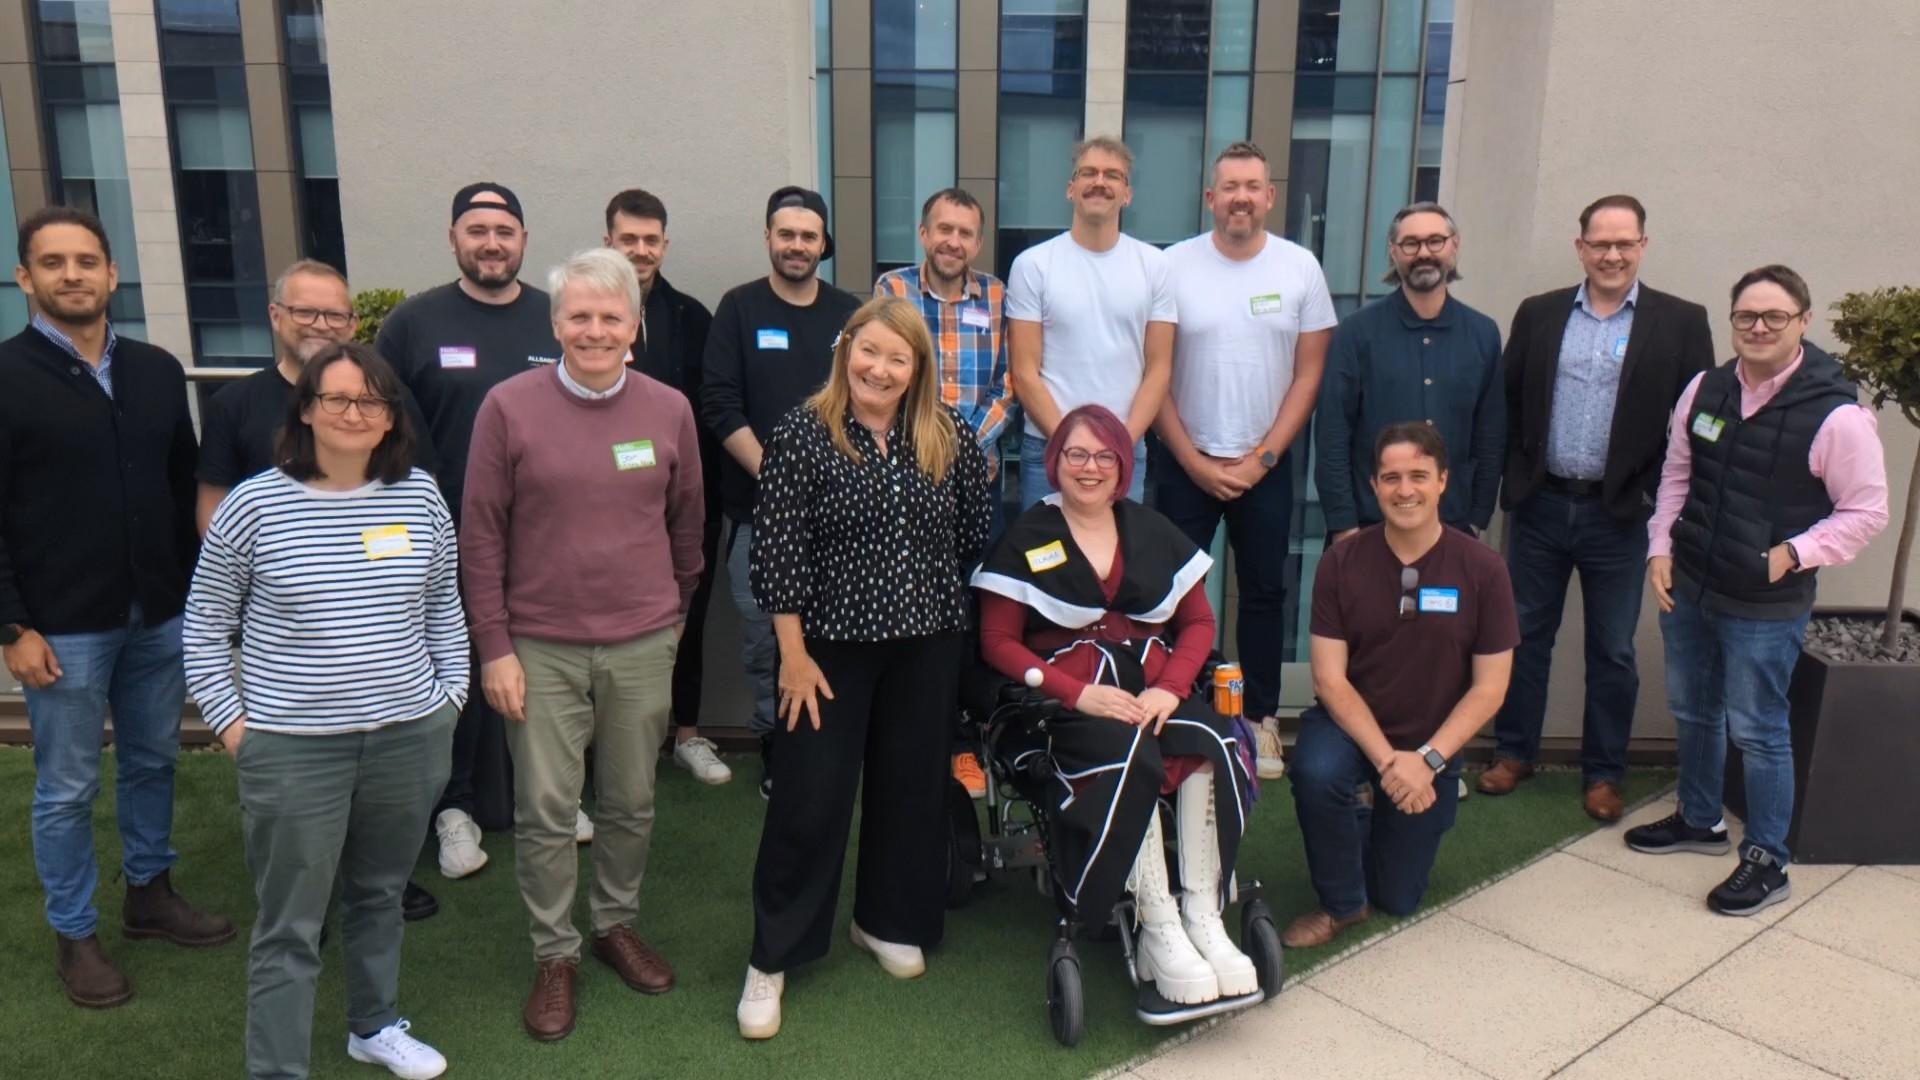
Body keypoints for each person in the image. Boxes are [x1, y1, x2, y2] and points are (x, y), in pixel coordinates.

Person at [183, 342, 464, 1080]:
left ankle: (372, 1027)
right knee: (290, 925)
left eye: (371, 401)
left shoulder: (419, 496)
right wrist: (236, 728)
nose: (353, 413)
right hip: (293, 747)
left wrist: (449, 699)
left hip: (409, 737)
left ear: (390, 417)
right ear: (305, 410)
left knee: (378, 895)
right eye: (336, 398)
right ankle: (277, 1068)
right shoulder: (254, 504)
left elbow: (443, 607)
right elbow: (207, 625)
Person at [462, 249, 705, 1040]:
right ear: (556, 322)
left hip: (641, 640)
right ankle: (554, 953)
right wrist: (494, 646)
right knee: (544, 809)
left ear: (634, 326)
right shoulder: (507, 406)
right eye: (580, 316)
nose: (595, 330)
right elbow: (482, 536)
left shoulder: (669, 409)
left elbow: (687, 525)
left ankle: (613, 926)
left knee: (631, 800)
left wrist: (672, 619)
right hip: (539, 646)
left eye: (611, 317)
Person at [735, 296, 990, 1040]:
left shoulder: (948, 437)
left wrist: (921, 593)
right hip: (825, 651)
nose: (880, 368)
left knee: (911, 790)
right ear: (848, 351)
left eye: (897, 357)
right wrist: (792, 656)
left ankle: (886, 921)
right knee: (809, 800)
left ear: (918, 368)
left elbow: (973, 529)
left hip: (927, 643)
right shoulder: (803, 434)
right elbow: (776, 554)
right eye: (869, 351)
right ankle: (772, 956)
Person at [2, 206, 233, 1009]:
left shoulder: (155, 369)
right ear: (26, 277)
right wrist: (11, 625)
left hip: (158, 613)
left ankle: (149, 895)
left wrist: (196, 594)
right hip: (60, 624)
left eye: (87, 261)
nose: (73, 275)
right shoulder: (6, 375)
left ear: (111, 273)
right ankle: (75, 932)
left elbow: (180, 491)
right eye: (54, 263)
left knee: (152, 760)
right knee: (65, 786)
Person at [973, 404, 1257, 1010]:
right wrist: (1077, 693)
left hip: (1153, 685)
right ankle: (1158, 925)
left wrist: (1171, 689)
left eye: (1105, 455)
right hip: (1071, 696)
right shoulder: (1029, 535)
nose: (1090, 467)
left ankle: (1202, 915)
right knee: (1129, 756)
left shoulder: (1150, 529)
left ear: (1123, 466)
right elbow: (997, 641)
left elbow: (1200, 621)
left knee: (1212, 743)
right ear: (1055, 461)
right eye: (1076, 453)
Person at [1633, 265, 1887, 916]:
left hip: (1765, 605)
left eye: (1775, 316)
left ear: (1804, 321)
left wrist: (1790, 556)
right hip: (1691, 584)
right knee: (1693, 709)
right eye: (1746, 315)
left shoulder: (1838, 416)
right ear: (1732, 320)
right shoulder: (1704, 389)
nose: (1759, 327)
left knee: (1759, 730)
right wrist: (1660, 549)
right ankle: (1700, 820)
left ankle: (1768, 859)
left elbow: (1865, 513)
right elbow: (1678, 475)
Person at [195, 260, 441, 921]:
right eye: (305, 311)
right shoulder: (237, 408)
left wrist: (447, 695)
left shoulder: (405, 471)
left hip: (383, 681)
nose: (319, 325)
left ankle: (370, 890)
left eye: (333, 314)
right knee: (296, 874)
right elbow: (214, 518)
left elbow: (436, 584)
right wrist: (235, 718)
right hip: (283, 646)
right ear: (276, 316)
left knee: (374, 851)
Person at [1482, 195, 1716, 820]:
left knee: (1612, 648)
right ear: (1580, 246)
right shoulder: (1539, 314)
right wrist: (1514, 480)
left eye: (1625, 243)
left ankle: (1605, 772)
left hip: (1621, 515)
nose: (1612, 255)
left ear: (1644, 245)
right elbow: (1505, 405)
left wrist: (1665, 507)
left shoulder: (1680, 321)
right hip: (1541, 505)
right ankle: (1514, 751)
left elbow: (1697, 424)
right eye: (1600, 243)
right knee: (1525, 636)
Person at [378, 182, 565, 877]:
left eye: (505, 230)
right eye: (477, 229)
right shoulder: (413, 324)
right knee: (457, 673)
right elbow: (388, 433)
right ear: (453, 237)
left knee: (547, 668)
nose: (492, 242)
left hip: (547, 540)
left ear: (523, 239)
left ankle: (548, 793)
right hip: (447, 535)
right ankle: (453, 810)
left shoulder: (556, 321)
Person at [1285, 423, 1518, 948]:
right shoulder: (1342, 561)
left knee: (1399, 896)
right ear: (1374, 485)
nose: (1404, 490)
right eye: (1391, 477)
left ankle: (1376, 814)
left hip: (1432, 740)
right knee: (1317, 772)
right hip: (1352, 727)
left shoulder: (1484, 570)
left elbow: (1491, 688)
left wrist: (1428, 761)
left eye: (1418, 475)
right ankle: (1342, 905)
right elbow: (1328, 678)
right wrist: (1391, 762)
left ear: (1442, 481)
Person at [1156, 141, 1336, 783]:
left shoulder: (1299, 269)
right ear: (1211, 198)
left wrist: (1262, 458)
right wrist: (1194, 460)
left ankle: (1260, 720)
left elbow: (1308, 376)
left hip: (1266, 463)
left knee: (1265, 592)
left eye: (1252, 186)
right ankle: (1181, 704)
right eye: (1228, 186)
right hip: (1184, 461)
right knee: (1175, 593)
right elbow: (1154, 375)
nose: (1240, 197)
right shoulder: (1172, 267)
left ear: (1269, 196)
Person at [702, 186, 862, 797]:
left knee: (838, 630)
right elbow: (719, 404)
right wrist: (782, 481)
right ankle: (779, 747)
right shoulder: (738, 308)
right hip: (756, 514)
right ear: (768, 238)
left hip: (840, 511)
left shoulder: (848, 313)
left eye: (808, 236)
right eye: (786, 234)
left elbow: (867, 399)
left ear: (824, 244)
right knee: (766, 641)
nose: (797, 245)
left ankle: (832, 743)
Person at [874, 185, 1014, 798]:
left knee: (972, 608)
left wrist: (960, 446)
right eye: (943, 229)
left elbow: (1012, 384)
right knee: (913, 606)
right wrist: (932, 450)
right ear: (924, 233)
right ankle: (909, 732)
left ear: (977, 242)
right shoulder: (893, 293)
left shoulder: (1000, 296)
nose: (953, 241)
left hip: (977, 481)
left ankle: (966, 736)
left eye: (965, 232)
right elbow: (885, 378)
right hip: (908, 483)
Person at [605, 187, 730, 786]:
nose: (640, 250)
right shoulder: (591, 314)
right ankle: (608, 748)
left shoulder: (692, 317)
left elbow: (710, 407)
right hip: (607, 504)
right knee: (613, 624)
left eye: (650, 240)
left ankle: (686, 732)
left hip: (683, 498)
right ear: (609, 241)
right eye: (628, 239)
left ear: (665, 244)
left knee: (689, 614)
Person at [1315, 202, 1503, 540]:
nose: (1424, 253)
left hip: (1453, 526)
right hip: (1369, 526)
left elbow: (1490, 434)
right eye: (1411, 244)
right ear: (1393, 252)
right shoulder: (1357, 332)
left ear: (1454, 245)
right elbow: (1332, 432)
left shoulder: (1483, 334)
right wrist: (1343, 525)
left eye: (1435, 241)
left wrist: (1477, 518)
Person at [1006, 135, 1176, 504]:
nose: (1100, 181)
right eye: (1089, 172)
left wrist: (1117, 446)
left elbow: (1159, 369)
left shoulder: (1155, 266)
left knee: (1116, 562)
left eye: (1113, 175)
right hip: (1050, 448)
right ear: (1071, 188)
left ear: (1127, 193)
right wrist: (1073, 448)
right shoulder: (1033, 265)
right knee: (1047, 561)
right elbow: (1024, 371)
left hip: (1125, 451)